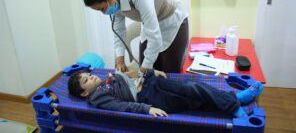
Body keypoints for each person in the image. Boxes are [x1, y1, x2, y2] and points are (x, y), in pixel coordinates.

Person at [82, 0, 189, 73]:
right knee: (146, 67)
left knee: (168, 74)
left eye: (101, 8)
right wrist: (120, 61)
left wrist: (142, 73)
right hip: (150, 26)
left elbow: (155, 38)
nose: (103, 12)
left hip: (172, 23)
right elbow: (119, 31)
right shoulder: (114, 1)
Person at [68, 69, 263, 117]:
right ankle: (234, 104)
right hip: (148, 97)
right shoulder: (97, 98)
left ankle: (234, 100)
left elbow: (130, 74)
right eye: (87, 81)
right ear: (85, 94)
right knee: (192, 96)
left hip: (150, 83)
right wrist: (148, 109)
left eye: (89, 75)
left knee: (192, 87)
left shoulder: (106, 78)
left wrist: (151, 72)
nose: (92, 77)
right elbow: (121, 106)